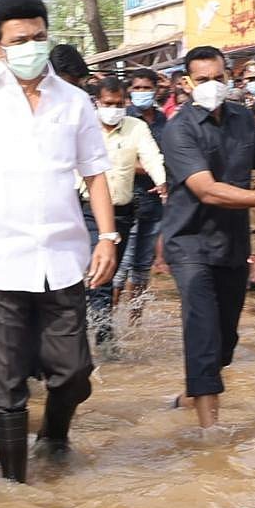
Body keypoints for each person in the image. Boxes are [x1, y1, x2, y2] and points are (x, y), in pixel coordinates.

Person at [0, 0, 118, 483]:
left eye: (39, 37)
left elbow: (96, 174)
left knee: (74, 371)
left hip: (63, 257)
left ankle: (55, 436)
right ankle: (16, 487)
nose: (31, 46)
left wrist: (107, 237)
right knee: (5, 380)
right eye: (20, 40)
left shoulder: (76, 102)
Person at [161, 46, 255, 430]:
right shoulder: (178, 129)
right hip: (190, 243)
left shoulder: (243, 119)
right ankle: (210, 437)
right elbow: (208, 191)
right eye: (202, 80)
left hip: (232, 243)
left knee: (224, 342)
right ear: (186, 83)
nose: (211, 86)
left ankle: (190, 396)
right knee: (201, 328)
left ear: (228, 78)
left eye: (217, 79)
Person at [82, 76, 166, 346]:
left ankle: (102, 336)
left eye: (119, 103)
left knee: (109, 273)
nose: (114, 108)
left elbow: (152, 156)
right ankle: (94, 337)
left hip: (123, 211)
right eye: (108, 103)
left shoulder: (136, 127)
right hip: (86, 211)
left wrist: (163, 181)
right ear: (97, 102)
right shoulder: (84, 127)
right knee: (94, 274)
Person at [113, 68, 168, 321]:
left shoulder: (164, 122)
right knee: (120, 266)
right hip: (127, 200)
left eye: (147, 88)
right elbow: (119, 160)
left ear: (156, 89)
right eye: (137, 88)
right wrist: (152, 167)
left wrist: (162, 173)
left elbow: (169, 158)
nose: (142, 93)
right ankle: (109, 321)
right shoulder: (123, 120)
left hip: (154, 202)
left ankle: (135, 322)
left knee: (142, 266)